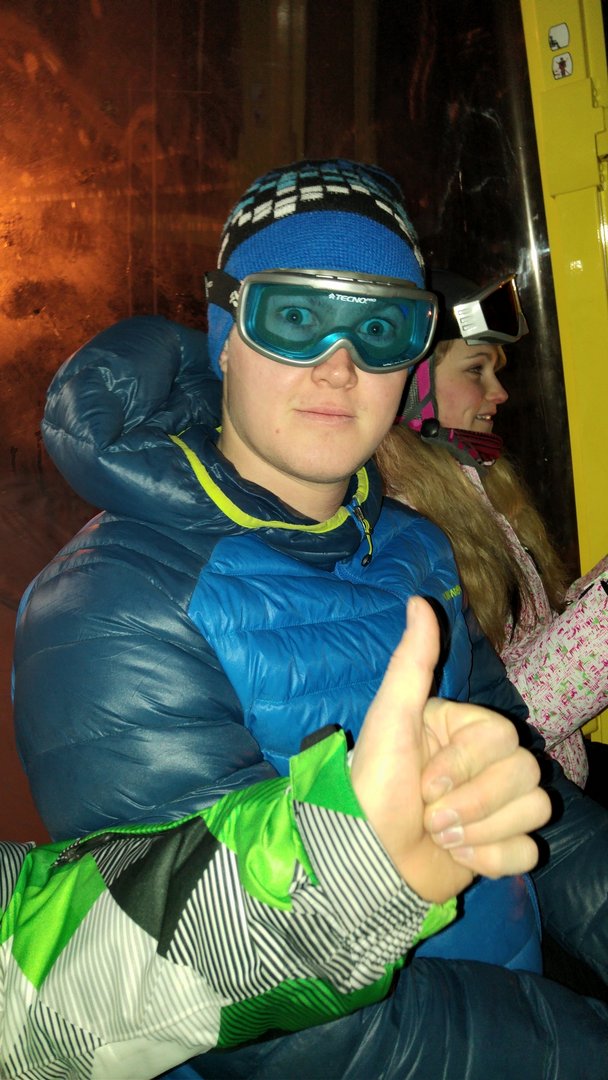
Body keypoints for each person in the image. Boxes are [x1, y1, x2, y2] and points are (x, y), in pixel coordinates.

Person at [8, 160, 608, 1077]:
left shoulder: (414, 545)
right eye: (294, 317)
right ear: (227, 338)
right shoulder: (108, 608)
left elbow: (527, 789)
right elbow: (271, 1030)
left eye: (380, 327)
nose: (339, 366)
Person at [376, 269, 608, 790]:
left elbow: (530, 638)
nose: (498, 392)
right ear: (412, 384)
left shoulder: (476, 483)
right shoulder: (402, 525)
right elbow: (493, 716)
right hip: (505, 800)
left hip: (556, 783)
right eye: (475, 370)